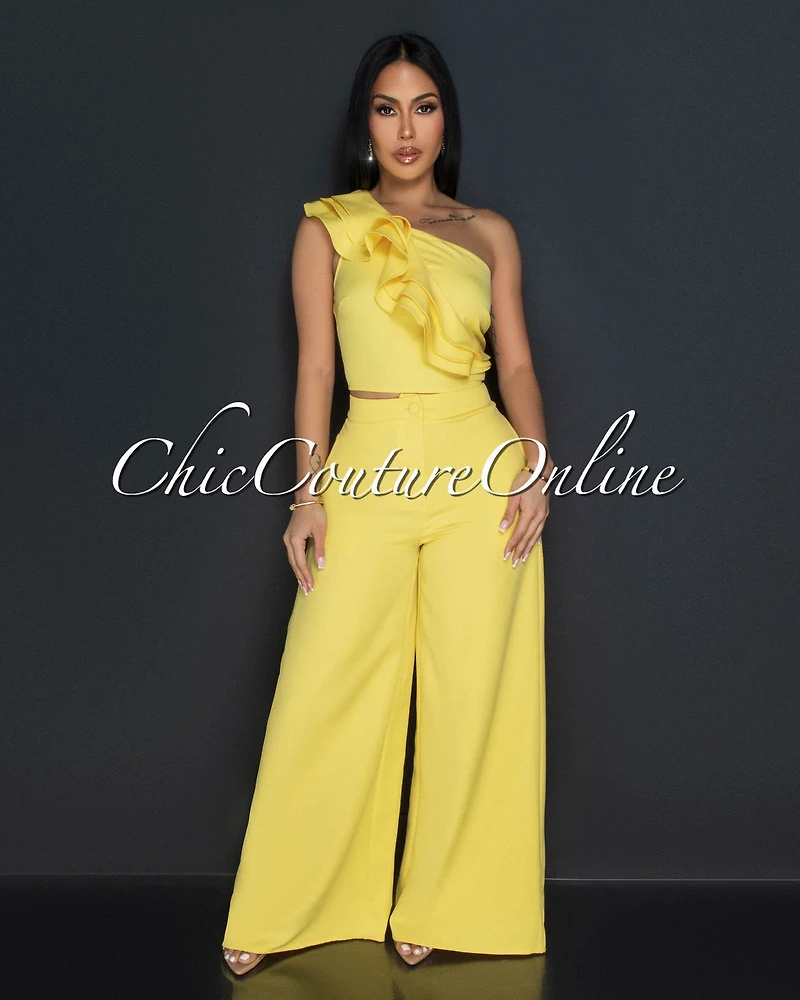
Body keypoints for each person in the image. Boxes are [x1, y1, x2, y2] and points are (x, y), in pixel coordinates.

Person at [222, 31, 553, 975]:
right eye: (386, 108)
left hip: (479, 466)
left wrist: (536, 467)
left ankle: (450, 903)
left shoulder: (490, 233)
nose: (406, 128)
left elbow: (517, 366)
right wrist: (307, 496)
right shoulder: (327, 228)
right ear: (364, 126)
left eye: (424, 107)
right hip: (368, 464)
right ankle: (285, 909)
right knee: (324, 683)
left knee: (474, 690)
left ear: (446, 121)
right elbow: (315, 372)